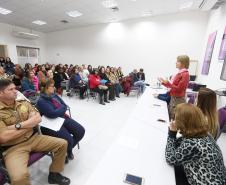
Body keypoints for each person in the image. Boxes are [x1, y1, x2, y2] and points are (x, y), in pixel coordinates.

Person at [0, 78, 70, 185]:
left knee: (63, 144)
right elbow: (4, 137)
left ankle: (54, 174)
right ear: (1, 93)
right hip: (13, 148)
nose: (16, 91)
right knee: (19, 178)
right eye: (11, 89)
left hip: (34, 138)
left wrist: (17, 126)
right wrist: (29, 125)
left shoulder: (22, 102)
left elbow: (38, 119)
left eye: (15, 88)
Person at [165, 103, 226, 185]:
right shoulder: (204, 133)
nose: (174, 121)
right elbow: (179, 143)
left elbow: (170, 159)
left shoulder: (192, 143)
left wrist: (172, 134)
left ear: (184, 122)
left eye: (176, 119)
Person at [36, 79, 85, 162]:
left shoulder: (54, 95)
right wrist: (61, 109)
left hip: (62, 118)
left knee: (80, 131)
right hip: (51, 124)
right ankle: (64, 152)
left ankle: (67, 151)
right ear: (46, 88)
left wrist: (60, 109)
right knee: (68, 140)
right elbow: (52, 114)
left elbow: (64, 105)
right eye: (52, 86)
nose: (54, 87)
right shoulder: (41, 100)